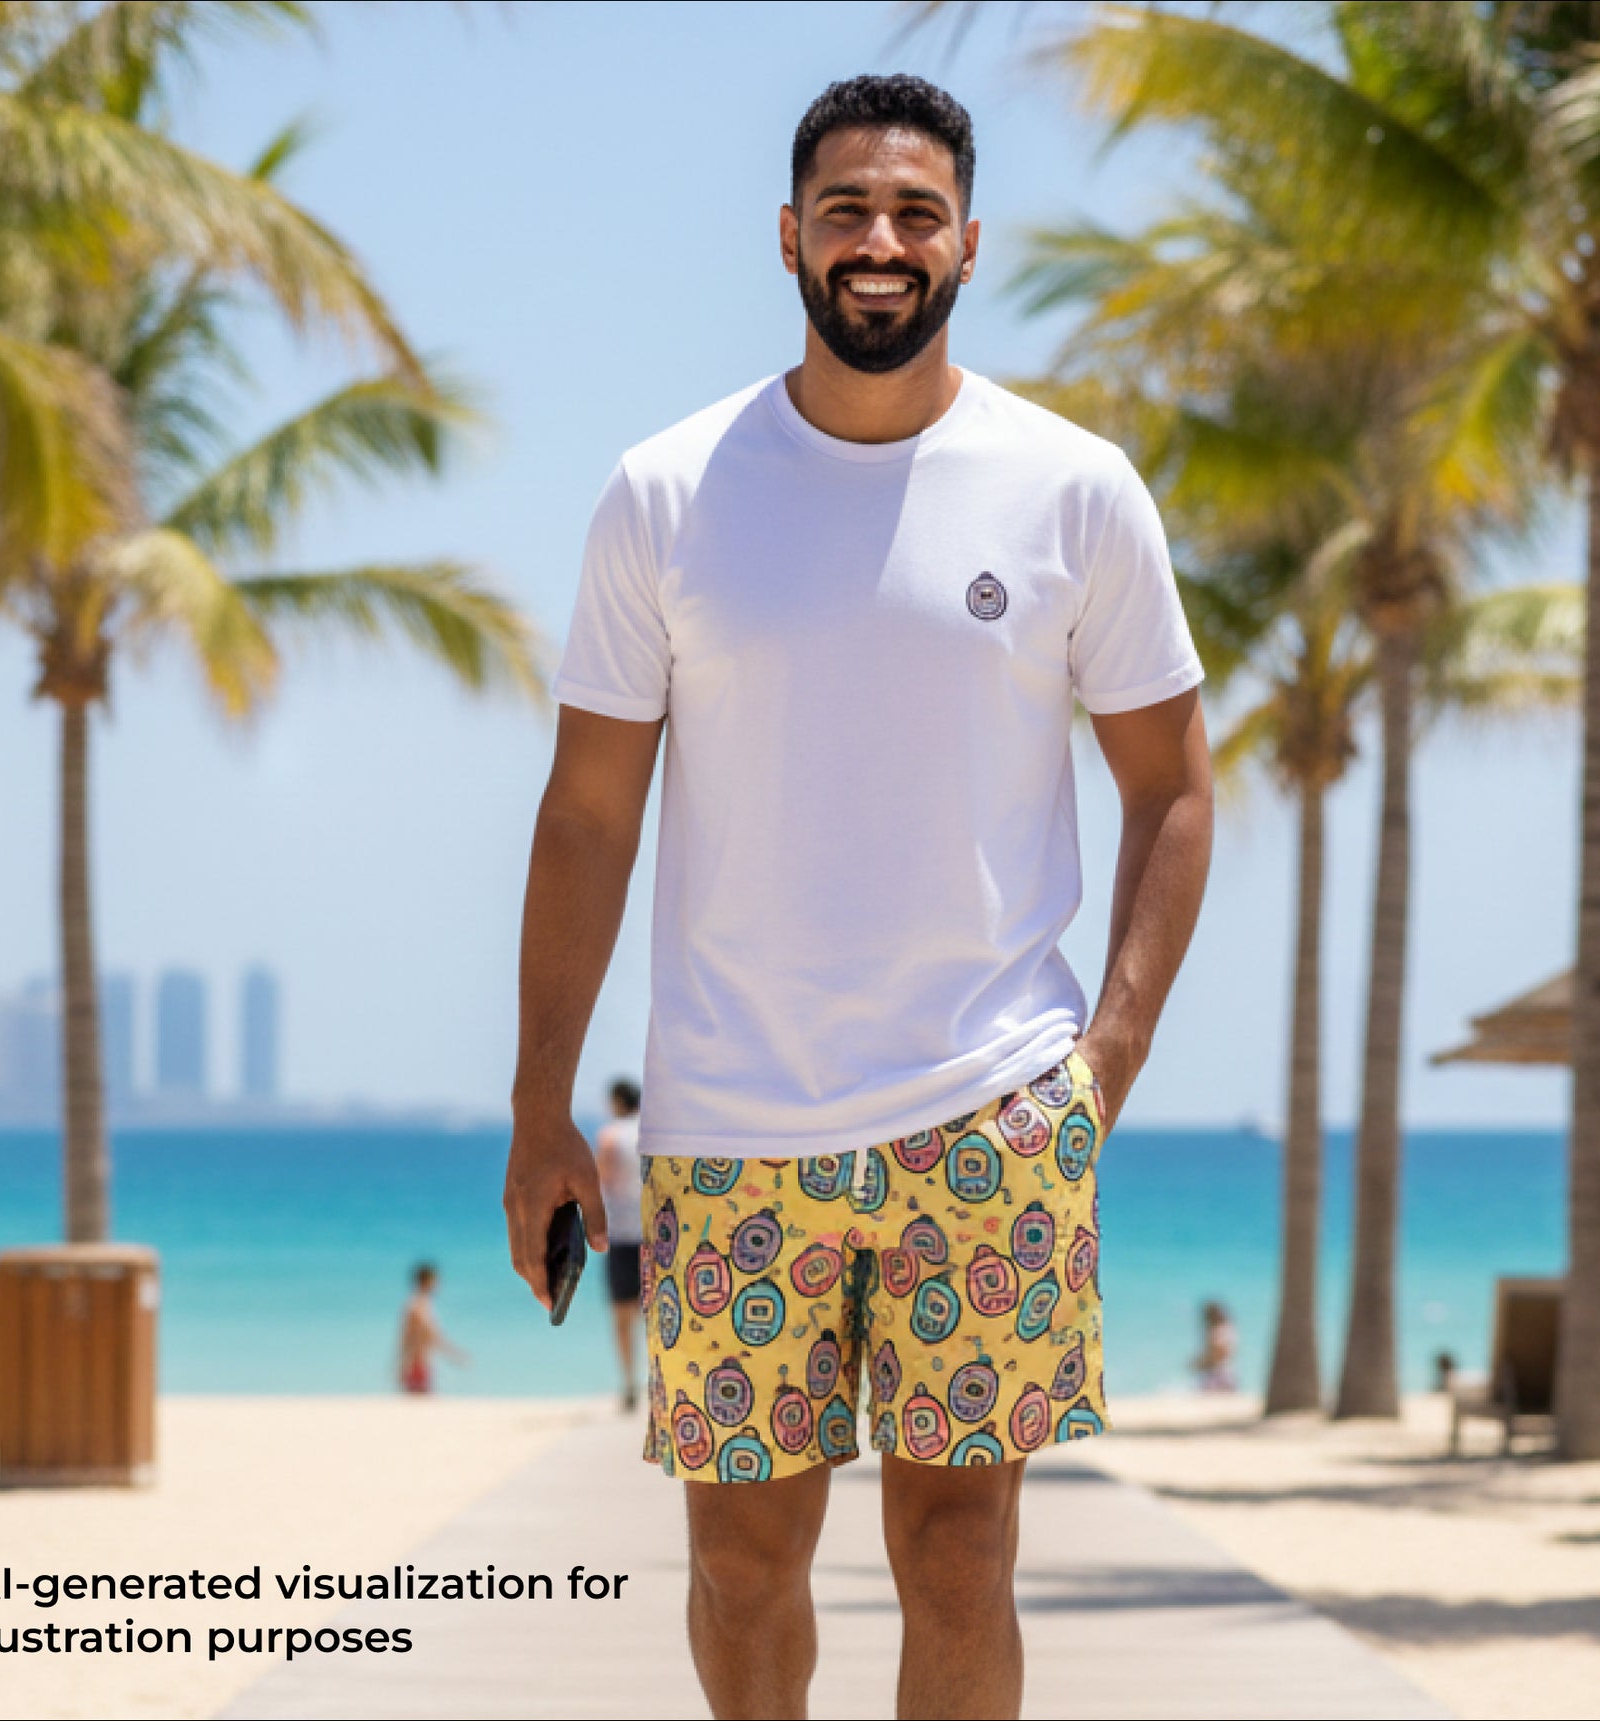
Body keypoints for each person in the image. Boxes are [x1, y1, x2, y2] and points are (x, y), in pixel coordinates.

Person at [502, 74, 1213, 1721]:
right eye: (845, 211)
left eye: (911, 213)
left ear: (968, 241)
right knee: (742, 1572)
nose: (877, 242)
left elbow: (1172, 786)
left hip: (991, 1116)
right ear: (788, 238)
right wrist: (543, 1105)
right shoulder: (667, 493)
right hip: (730, 1120)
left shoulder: (1073, 488)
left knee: (959, 1556)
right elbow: (587, 814)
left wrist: (1101, 1061)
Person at [596, 1077, 646, 1411]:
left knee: (622, 1317)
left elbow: (602, 1181)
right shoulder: (650, 1131)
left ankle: (629, 1383)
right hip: (653, 1234)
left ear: (616, 1101)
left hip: (621, 1235)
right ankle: (661, 1381)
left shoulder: (610, 1136)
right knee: (655, 1316)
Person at [396, 1263, 467, 1395]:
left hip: (417, 1359)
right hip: (416, 1360)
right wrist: (454, 1354)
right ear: (426, 1281)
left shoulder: (417, 1303)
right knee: (420, 1402)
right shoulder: (418, 1305)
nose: (438, 1284)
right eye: (435, 1280)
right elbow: (431, 1334)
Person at [1192, 1299, 1238, 1392]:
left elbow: (1221, 1352)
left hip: (1220, 1373)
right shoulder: (1224, 1328)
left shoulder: (1221, 1330)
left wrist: (1202, 1363)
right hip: (1221, 1371)